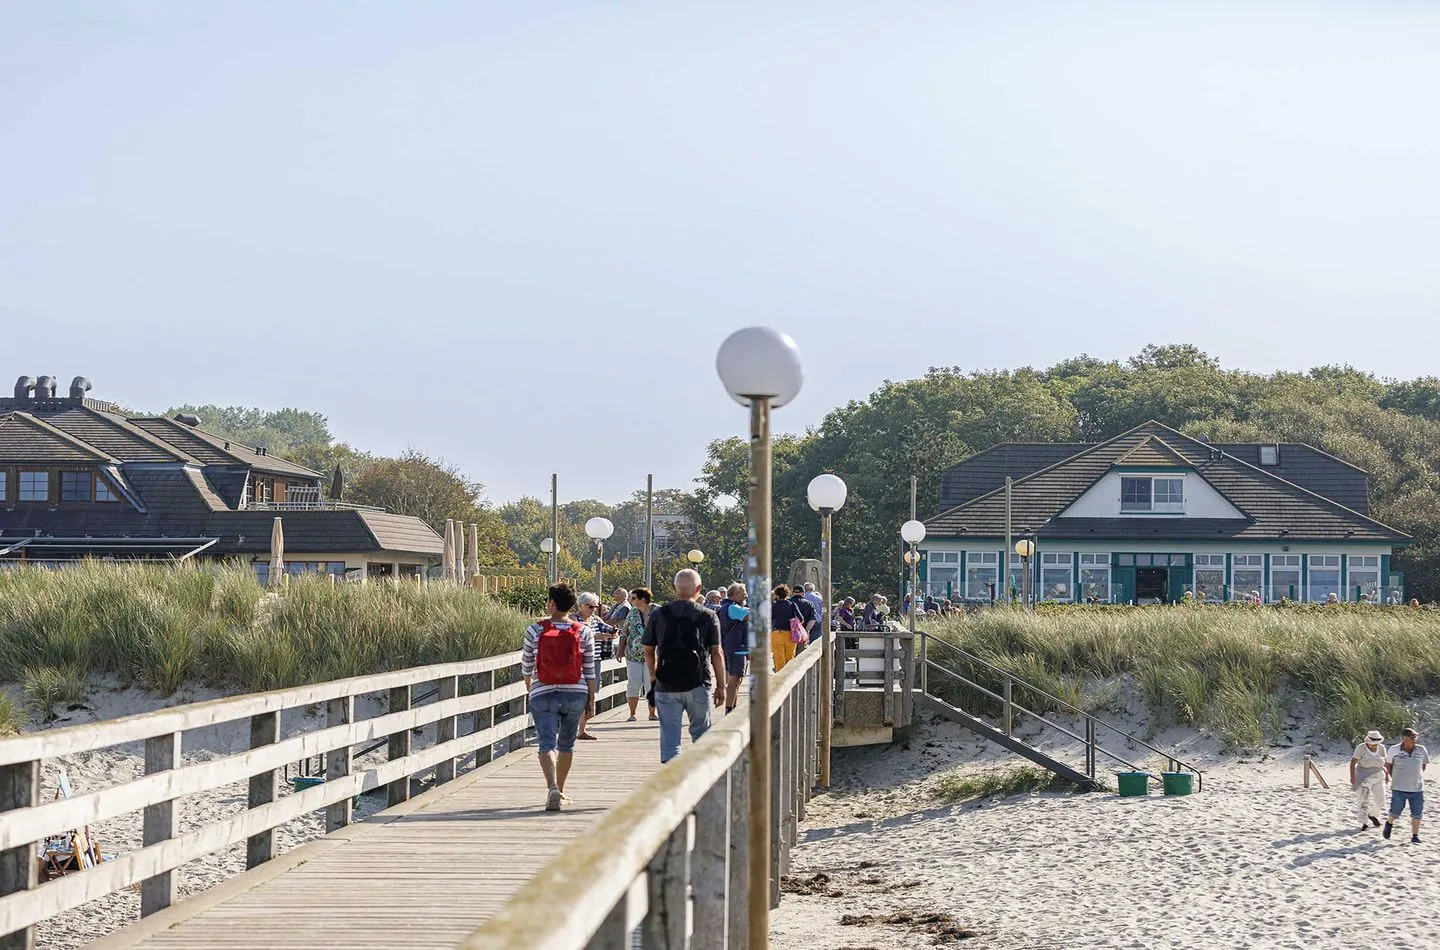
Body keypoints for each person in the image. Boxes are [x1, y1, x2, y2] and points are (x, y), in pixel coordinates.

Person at [521, 584, 596, 811]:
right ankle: (560, 790)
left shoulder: (535, 630)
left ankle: (552, 787)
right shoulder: (583, 631)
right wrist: (590, 698)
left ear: (551, 604)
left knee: (546, 742)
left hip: (543, 692)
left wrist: (530, 684)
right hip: (575, 692)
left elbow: (526, 665)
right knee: (567, 743)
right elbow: (589, 669)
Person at [644, 568, 726, 763]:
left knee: (670, 740)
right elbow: (717, 653)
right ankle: (701, 782)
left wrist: (653, 678)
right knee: (701, 736)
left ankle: (672, 782)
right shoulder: (708, 616)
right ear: (698, 589)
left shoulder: (658, 615)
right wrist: (721, 686)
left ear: (674, 588)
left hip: (666, 683)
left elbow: (648, 650)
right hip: (698, 682)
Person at [572, 592, 616, 740]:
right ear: (580, 605)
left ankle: (581, 731)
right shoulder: (573, 619)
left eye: (595, 607)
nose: (593, 609)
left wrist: (613, 633)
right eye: (590, 606)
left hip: (594, 661)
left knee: (590, 696)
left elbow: (609, 629)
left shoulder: (596, 619)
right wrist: (596, 637)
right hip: (577, 662)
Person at [1384, 727, 1430, 843]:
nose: (1414, 740)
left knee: (1417, 814)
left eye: (1415, 737)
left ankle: (1415, 835)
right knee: (1395, 811)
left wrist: (1414, 775)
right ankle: (1389, 823)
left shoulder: (1421, 750)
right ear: (1403, 738)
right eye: (1411, 737)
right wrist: (1394, 777)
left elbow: (1423, 765)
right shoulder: (1394, 750)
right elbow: (1388, 765)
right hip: (1398, 788)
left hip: (1417, 788)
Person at [620, 587, 657, 721]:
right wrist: (620, 649)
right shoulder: (632, 612)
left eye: (633, 598)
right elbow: (625, 631)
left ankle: (652, 713)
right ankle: (632, 713)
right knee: (633, 682)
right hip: (633, 654)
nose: (630, 600)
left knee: (651, 683)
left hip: (653, 654)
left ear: (643, 599)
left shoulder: (658, 611)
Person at [718, 582, 751, 712]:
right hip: (737, 647)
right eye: (744, 592)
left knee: (737, 679)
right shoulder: (732, 607)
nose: (746, 595)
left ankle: (732, 707)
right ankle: (729, 710)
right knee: (735, 679)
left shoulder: (729, 607)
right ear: (736, 594)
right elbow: (750, 616)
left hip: (734, 646)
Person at [1351, 730, 1388, 832]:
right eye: (1372, 743)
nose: (1373, 745)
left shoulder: (1381, 748)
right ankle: (1364, 823)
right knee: (1363, 801)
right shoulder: (1361, 748)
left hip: (1379, 776)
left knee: (1380, 801)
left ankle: (1373, 815)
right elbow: (1353, 762)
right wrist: (1352, 777)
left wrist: (1387, 775)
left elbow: (1384, 763)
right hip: (1363, 777)